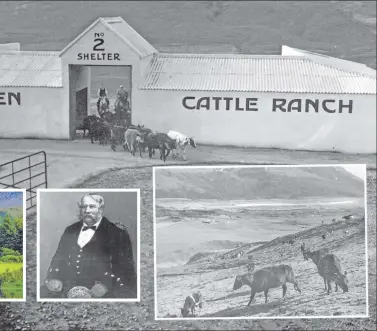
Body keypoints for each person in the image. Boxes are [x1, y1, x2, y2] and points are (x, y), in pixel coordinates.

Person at [40, 193, 137, 299]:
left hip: (102, 288)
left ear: (100, 209)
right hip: (68, 285)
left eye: (92, 207)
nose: (87, 211)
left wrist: (106, 285)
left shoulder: (117, 233)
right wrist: (54, 277)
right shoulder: (71, 230)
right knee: (41, 294)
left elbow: (126, 268)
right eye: (83, 207)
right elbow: (59, 257)